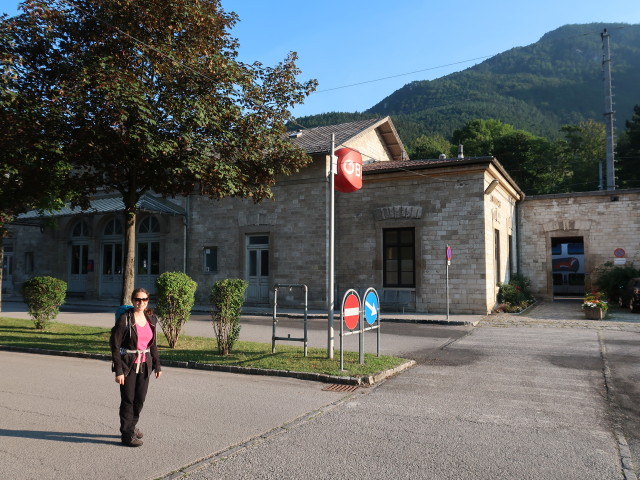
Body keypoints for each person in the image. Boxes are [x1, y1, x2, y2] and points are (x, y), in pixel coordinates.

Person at [111, 288, 162, 447]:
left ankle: (131, 426)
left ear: (148, 300)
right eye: (138, 300)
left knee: (139, 400)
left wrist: (157, 365)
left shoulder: (151, 318)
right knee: (128, 400)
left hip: (145, 364)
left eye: (144, 299)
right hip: (128, 364)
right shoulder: (125, 319)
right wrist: (118, 370)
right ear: (133, 301)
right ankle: (127, 435)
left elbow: (152, 345)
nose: (141, 303)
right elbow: (115, 345)